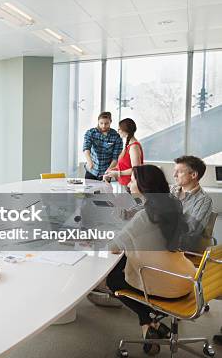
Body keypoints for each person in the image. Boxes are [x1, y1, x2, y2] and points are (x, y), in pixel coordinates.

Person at [106, 165, 195, 355]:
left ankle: (147, 319)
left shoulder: (145, 217)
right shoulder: (171, 205)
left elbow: (112, 248)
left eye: (132, 180)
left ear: (144, 185)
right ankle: (151, 324)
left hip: (165, 287)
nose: (129, 183)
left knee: (112, 279)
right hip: (187, 279)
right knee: (123, 264)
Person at [171, 155, 213, 252]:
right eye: (175, 171)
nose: (174, 175)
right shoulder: (171, 190)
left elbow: (191, 232)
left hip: (182, 250)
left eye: (180, 172)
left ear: (193, 175)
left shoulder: (203, 200)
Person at [83, 111, 123, 180]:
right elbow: (86, 148)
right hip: (91, 170)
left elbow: (115, 157)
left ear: (110, 122)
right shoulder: (90, 133)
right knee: (88, 190)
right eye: (101, 123)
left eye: (106, 123)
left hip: (106, 172)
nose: (103, 126)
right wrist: (89, 161)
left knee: (104, 190)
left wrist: (109, 170)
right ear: (98, 121)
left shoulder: (116, 137)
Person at [103, 118, 143, 187]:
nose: (117, 132)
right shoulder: (128, 145)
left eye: (119, 129)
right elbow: (125, 166)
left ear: (125, 130)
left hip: (131, 186)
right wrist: (110, 171)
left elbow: (136, 169)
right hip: (125, 185)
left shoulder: (134, 147)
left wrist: (118, 173)